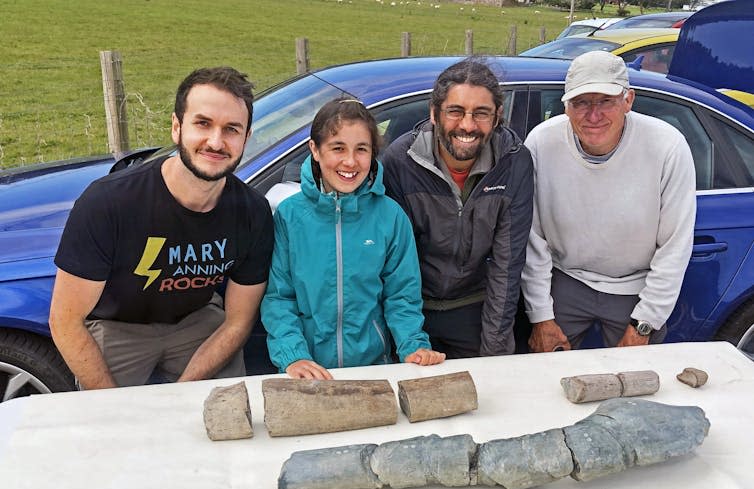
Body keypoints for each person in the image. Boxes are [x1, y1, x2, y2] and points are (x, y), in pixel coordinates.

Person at [49, 67, 273, 389]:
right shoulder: (109, 202)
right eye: (203, 123)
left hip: (197, 320)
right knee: (109, 430)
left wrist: (181, 395)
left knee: (227, 415)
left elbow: (238, 321)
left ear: (246, 138)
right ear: (176, 127)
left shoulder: (253, 211)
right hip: (118, 325)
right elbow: (65, 321)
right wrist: (113, 407)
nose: (216, 141)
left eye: (231, 129)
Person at [521, 51, 696, 352]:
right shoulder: (541, 143)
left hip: (636, 285)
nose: (593, 115)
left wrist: (645, 322)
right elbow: (530, 238)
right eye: (581, 103)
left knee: (635, 383)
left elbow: (674, 247)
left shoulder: (667, 146)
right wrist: (541, 317)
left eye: (605, 101)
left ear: (628, 100)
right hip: (565, 278)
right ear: (565, 105)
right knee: (543, 376)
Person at [261, 98, 445, 380]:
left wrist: (413, 346)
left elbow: (402, 297)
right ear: (315, 150)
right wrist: (293, 355)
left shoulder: (390, 217)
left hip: (373, 371)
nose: (350, 161)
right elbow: (279, 299)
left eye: (362, 149)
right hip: (306, 373)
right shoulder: (289, 217)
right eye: (338, 148)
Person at [382, 57, 534, 359]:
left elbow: (507, 265)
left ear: (498, 116)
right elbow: (394, 263)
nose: (467, 125)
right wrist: (409, 339)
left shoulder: (514, 162)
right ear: (434, 113)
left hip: (475, 309)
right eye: (455, 111)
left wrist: (492, 355)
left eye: (481, 114)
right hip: (410, 311)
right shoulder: (401, 160)